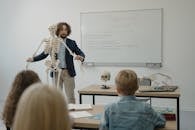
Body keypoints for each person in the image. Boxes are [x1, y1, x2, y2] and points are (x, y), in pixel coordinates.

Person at [27, 22, 85, 103]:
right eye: (62, 30)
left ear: (68, 31)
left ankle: (72, 114)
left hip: (68, 72)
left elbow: (80, 53)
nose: (64, 32)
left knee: (70, 97)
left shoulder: (71, 43)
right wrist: (33, 59)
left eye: (66, 30)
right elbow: (44, 54)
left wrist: (81, 57)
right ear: (57, 30)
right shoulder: (52, 41)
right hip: (55, 71)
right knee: (56, 96)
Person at [100, 69, 166, 130]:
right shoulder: (146, 108)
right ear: (137, 87)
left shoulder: (109, 109)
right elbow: (162, 122)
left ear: (117, 89)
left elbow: (103, 127)